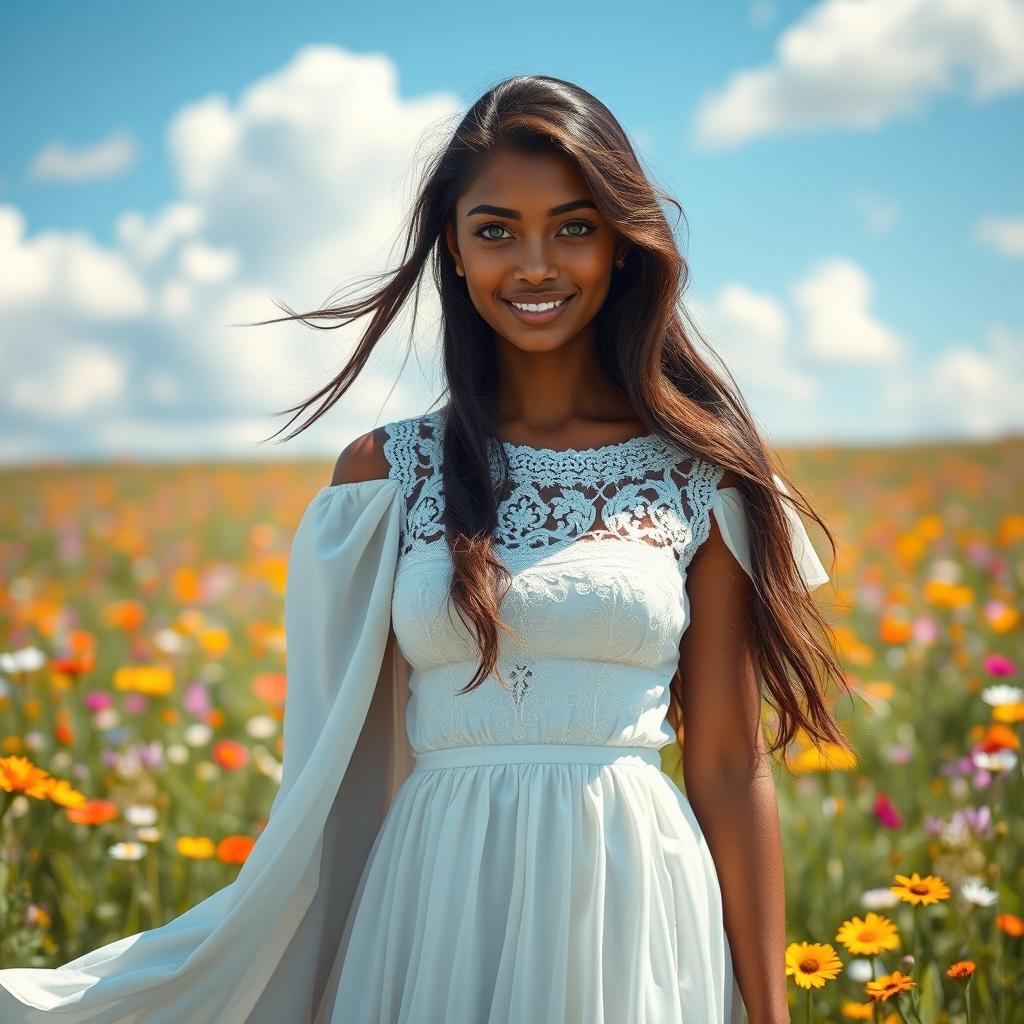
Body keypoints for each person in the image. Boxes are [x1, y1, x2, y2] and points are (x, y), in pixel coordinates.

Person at [0, 74, 849, 1023]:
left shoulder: (707, 476)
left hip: (632, 894)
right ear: (453, 245)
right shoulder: (379, 477)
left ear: (621, 243)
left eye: (573, 226)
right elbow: (327, 769)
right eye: (496, 230)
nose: (535, 263)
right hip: (434, 898)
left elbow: (731, 768)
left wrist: (771, 1013)